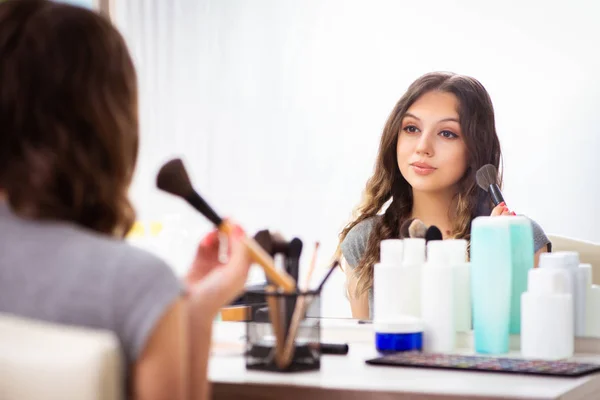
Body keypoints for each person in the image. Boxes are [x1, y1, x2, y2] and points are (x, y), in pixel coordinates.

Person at [0, 1, 250, 399]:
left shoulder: (145, 288)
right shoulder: (137, 285)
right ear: (109, 123)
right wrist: (194, 312)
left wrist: (190, 305)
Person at [337, 72, 550, 319]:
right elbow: (363, 348)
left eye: (447, 133)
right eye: (411, 128)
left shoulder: (521, 238)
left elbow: (527, 344)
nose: (423, 147)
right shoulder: (364, 242)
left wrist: (499, 257)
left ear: (474, 150)